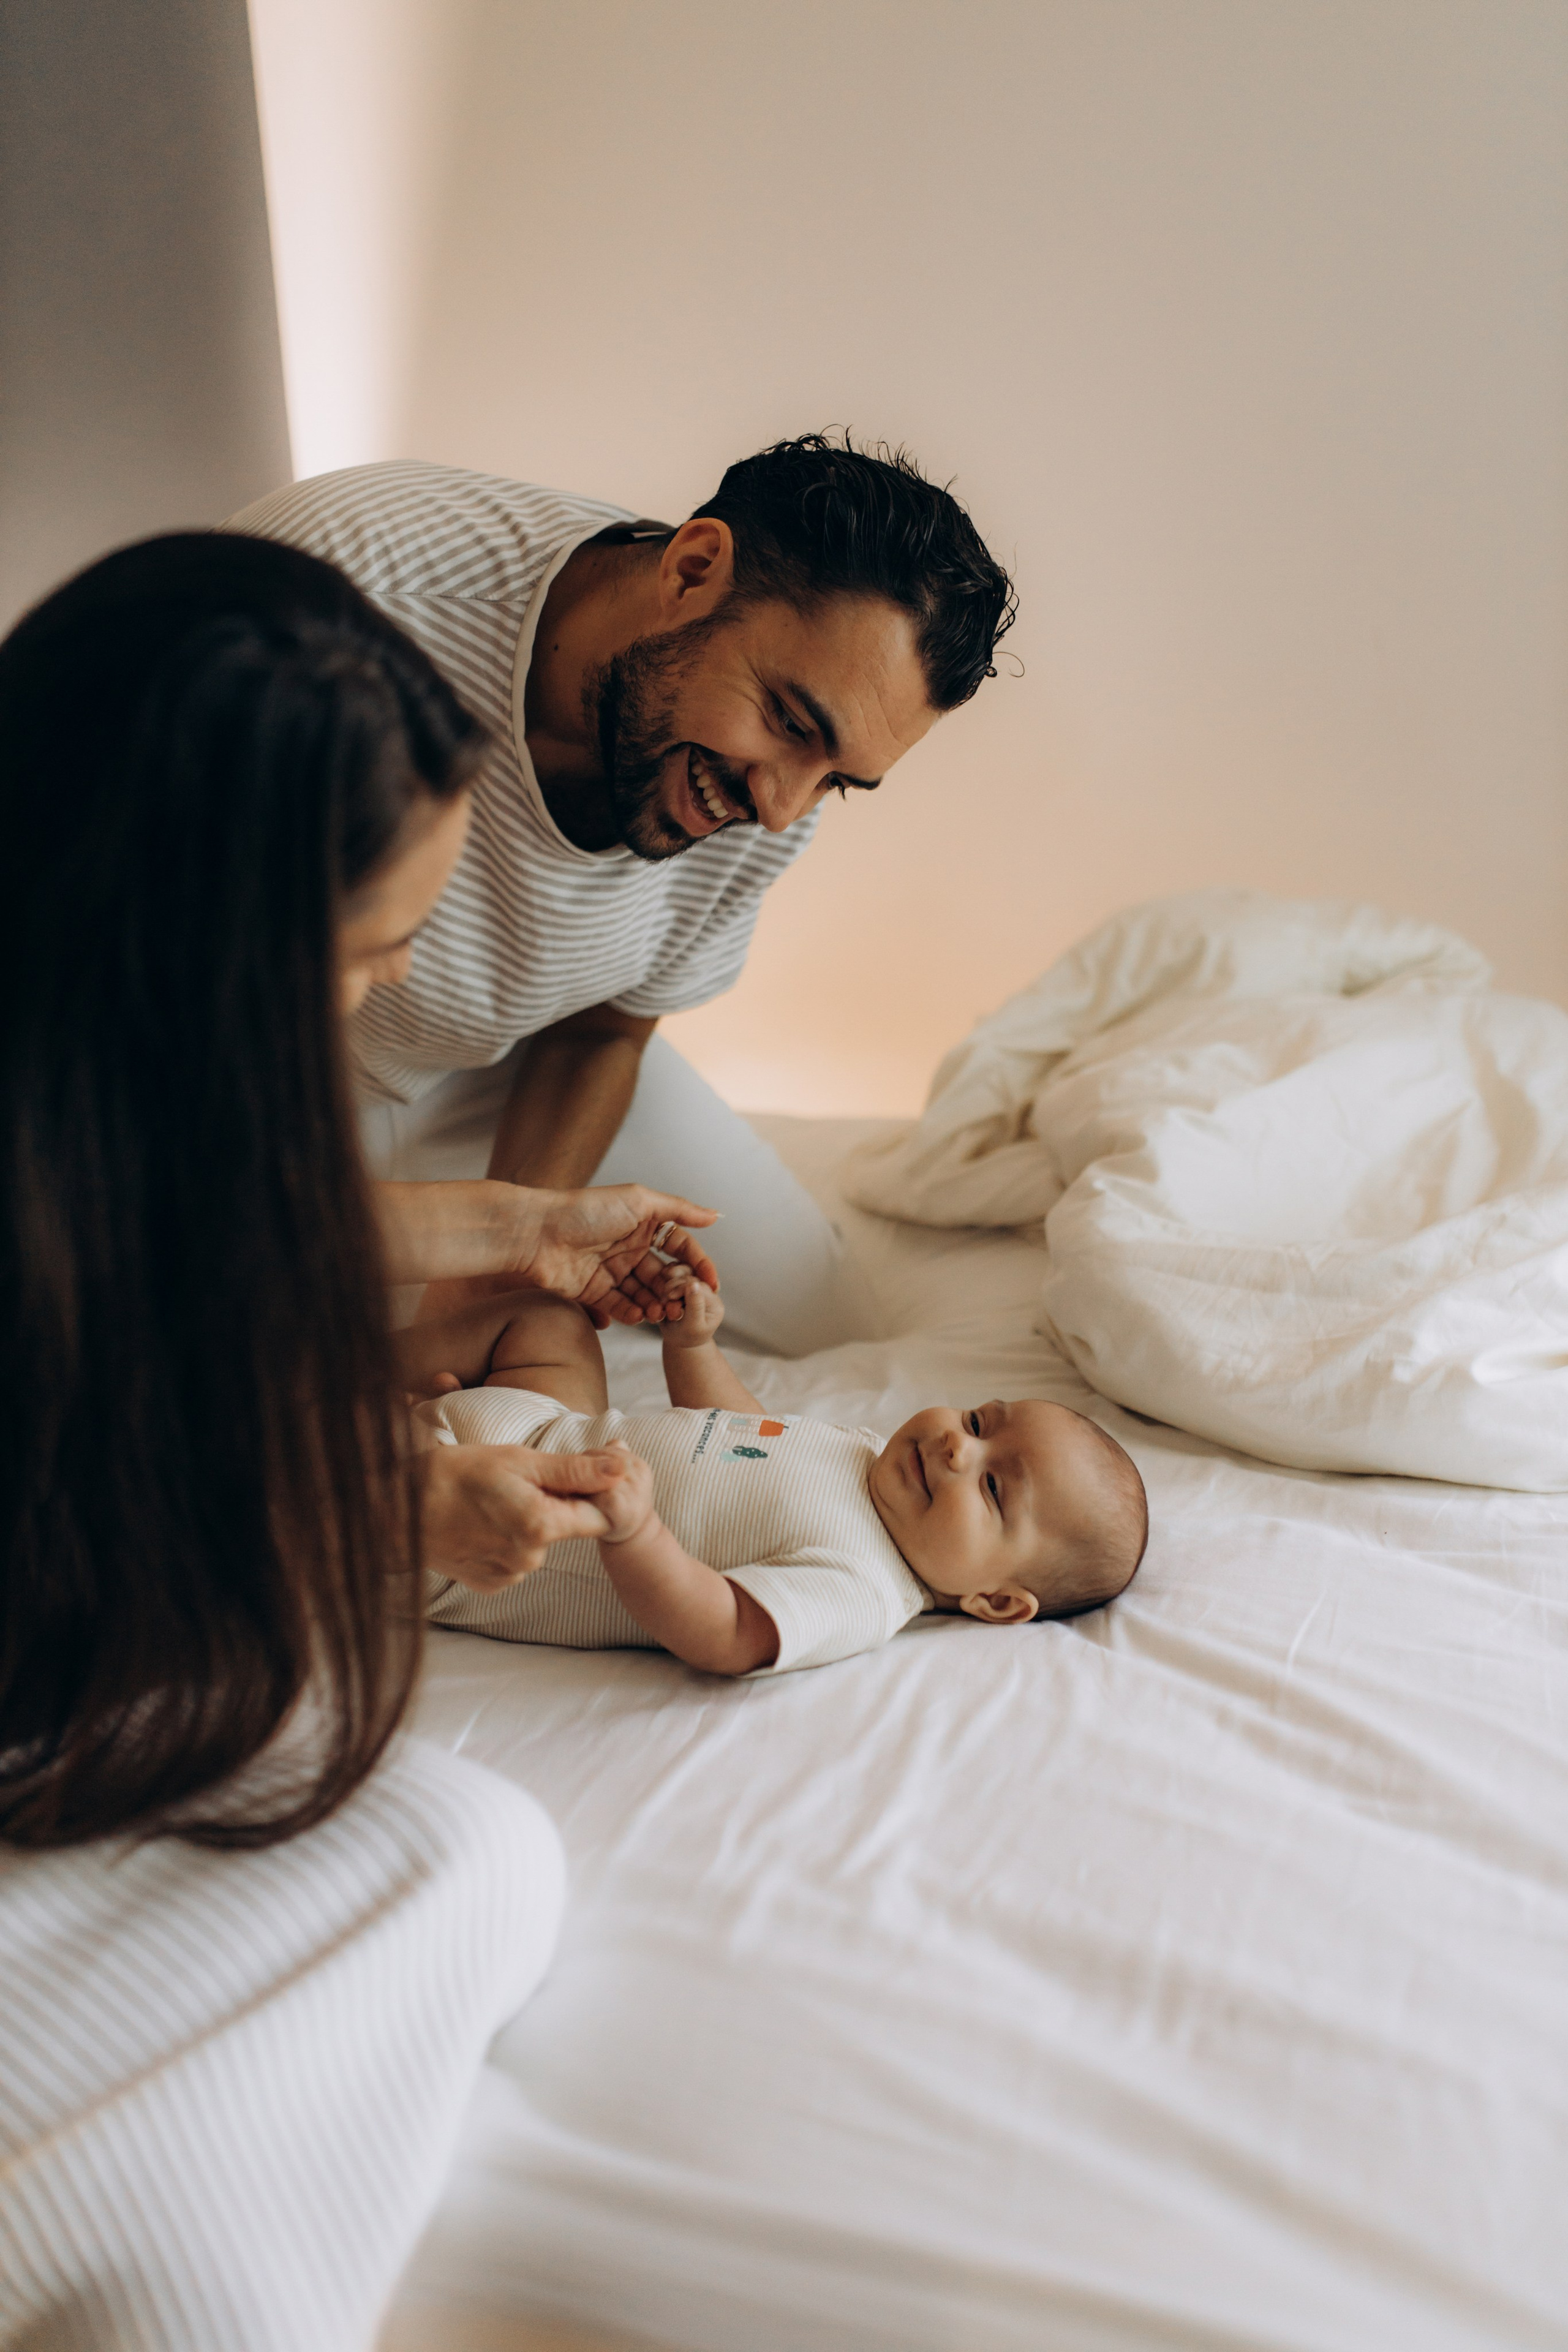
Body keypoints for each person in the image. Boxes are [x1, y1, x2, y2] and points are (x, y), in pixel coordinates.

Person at [0, 530, 704, 2350]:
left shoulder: (79, 1093)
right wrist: (383, 1507)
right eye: (364, 951)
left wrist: (525, 1228)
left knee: (472, 1852)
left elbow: (188, 1224)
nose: (383, 999)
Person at [225, 434, 1017, 1355]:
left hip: (505, 1060)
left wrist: (492, 1273)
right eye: (791, 724)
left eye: (836, 779)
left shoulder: (768, 788)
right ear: (692, 569)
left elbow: (605, 1027)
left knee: (832, 1327)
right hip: (245, 1072)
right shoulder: (339, 591)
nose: (782, 809)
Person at [401, 1273, 1148, 1678]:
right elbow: (744, 1434)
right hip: (548, 1428)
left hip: (479, 1531)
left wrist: (637, 1535)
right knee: (545, 1318)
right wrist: (692, 1347)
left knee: (345, 1464)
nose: (958, 1447)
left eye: (991, 1490)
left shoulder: (861, 1588)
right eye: (980, 1423)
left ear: (994, 1600)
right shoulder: (867, 1456)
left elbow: (726, 1632)